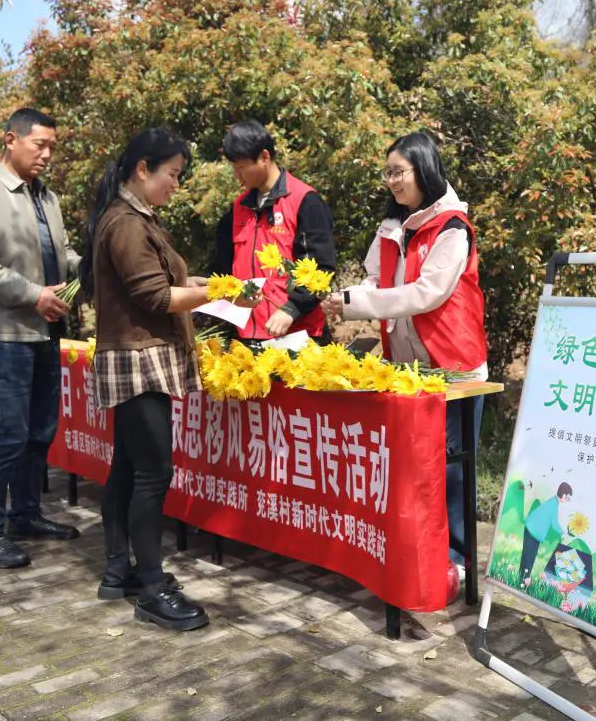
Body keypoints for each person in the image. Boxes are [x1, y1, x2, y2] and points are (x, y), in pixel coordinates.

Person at [81, 128, 255, 631]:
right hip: (141, 361)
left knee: (128, 469)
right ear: (143, 170)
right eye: (172, 175)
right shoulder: (127, 224)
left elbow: (167, 284)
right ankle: (153, 588)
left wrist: (210, 284)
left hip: (136, 355)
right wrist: (215, 294)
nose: (176, 185)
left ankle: (121, 571)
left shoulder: (131, 218)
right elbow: (157, 299)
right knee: (153, 473)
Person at [322, 131, 488, 590]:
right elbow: (377, 279)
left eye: (400, 172)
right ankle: (420, 551)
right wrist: (349, 299)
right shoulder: (393, 226)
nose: (392, 181)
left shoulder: (452, 228)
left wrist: (357, 302)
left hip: (454, 368)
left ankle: (456, 562)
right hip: (405, 367)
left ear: (424, 170)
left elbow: (426, 294)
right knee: (417, 464)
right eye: (388, 173)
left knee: (452, 468)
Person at [0, 108, 81, 569]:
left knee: (41, 428)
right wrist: (32, 295)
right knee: (7, 433)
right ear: (11, 139)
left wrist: (92, 265)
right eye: (38, 144)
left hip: (47, 330)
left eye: (52, 147)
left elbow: (60, 253)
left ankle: (24, 513)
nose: (47, 154)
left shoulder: (47, 198)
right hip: (6, 330)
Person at [209, 119, 336, 343]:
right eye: (234, 168)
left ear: (265, 157)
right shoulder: (239, 208)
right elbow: (223, 266)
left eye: (241, 168)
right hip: (248, 336)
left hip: (297, 334)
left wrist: (291, 309)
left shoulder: (305, 201)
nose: (237, 176)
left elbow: (321, 269)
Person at [519, 483, 573, 588]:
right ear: (563, 495)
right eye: (567, 497)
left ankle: (522, 581)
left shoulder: (553, 502)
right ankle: (523, 582)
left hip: (531, 530)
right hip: (533, 532)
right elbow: (554, 523)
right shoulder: (553, 505)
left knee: (527, 557)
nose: (567, 500)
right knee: (529, 558)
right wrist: (562, 533)